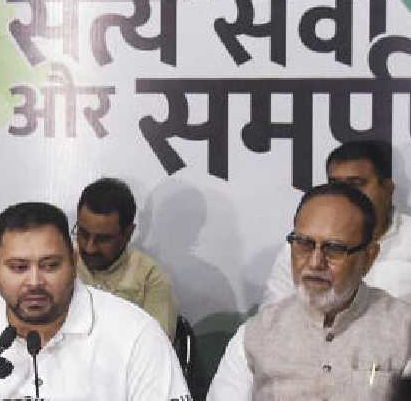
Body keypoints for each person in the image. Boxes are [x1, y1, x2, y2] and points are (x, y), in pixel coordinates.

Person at [0, 201, 189, 400]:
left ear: (73, 261)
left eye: (50, 265)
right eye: (18, 267)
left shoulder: (136, 335)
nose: (34, 282)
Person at [208, 183, 411, 400]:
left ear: (369, 258)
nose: (315, 262)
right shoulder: (254, 336)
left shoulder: (403, 330)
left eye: (334, 248)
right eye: (304, 243)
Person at [262, 140, 411, 304]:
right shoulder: (303, 244)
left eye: (356, 184)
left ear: (388, 188)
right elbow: (273, 314)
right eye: (336, 185)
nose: (346, 194)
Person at [74, 177, 177, 339]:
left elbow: (156, 349)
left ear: (128, 233)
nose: (90, 247)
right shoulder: (58, 265)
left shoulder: (151, 280)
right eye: (83, 234)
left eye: (103, 239)